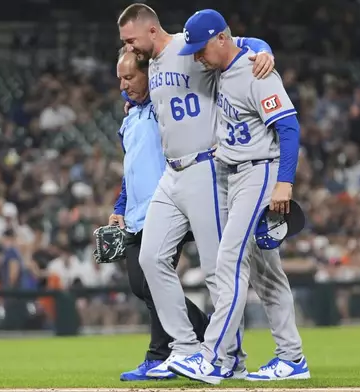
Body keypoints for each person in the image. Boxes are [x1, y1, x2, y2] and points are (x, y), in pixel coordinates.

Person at [117, 3, 276, 379]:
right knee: (151, 258)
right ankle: (185, 348)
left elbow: (238, 41)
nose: (127, 46)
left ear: (151, 30)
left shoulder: (186, 48)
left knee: (215, 271)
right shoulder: (151, 64)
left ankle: (229, 358)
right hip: (171, 175)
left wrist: (265, 49)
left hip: (205, 167)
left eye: (130, 39)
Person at [168, 10, 309, 384]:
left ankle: (211, 358)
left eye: (202, 48)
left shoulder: (254, 71)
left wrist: (285, 183)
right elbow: (245, 42)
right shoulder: (230, 65)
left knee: (229, 261)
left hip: (260, 171)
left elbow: (289, 127)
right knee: (267, 274)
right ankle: (292, 358)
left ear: (220, 39)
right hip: (235, 172)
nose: (198, 55)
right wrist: (260, 45)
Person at [110, 48, 209, 381]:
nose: (124, 85)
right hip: (137, 213)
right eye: (120, 79)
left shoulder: (163, 108)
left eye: (129, 77)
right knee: (141, 285)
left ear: (148, 75)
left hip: (167, 206)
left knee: (153, 281)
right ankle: (203, 328)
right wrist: (119, 207)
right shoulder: (130, 118)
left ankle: (159, 355)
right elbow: (131, 170)